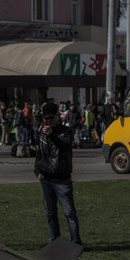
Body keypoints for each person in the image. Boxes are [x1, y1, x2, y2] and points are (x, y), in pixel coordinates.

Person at [34, 101, 82, 246]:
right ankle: (56, 241)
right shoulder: (42, 132)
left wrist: (52, 135)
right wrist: (37, 170)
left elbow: (65, 147)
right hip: (46, 179)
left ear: (57, 116)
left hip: (61, 179)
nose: (48, 121)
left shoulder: (66, 131)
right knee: (50, 213)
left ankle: (75, 242)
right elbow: (39, 154)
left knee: (69, 213)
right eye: (46, 118)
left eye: (51, 118)